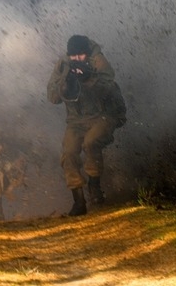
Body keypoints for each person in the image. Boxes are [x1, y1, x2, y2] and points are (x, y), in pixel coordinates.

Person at [47, 35, 126, 216]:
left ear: (86, 53)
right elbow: (52, 97)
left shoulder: (98, 61)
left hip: (101, 116)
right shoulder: (63, 65)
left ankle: (94, 186)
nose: (76, 60)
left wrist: (89, 78)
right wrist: (64, 86)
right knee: (68, 152)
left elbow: (109, 89)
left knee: (91, 142)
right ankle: (78, 200)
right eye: (73, 56)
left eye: (80, 56)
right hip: (75, 121)